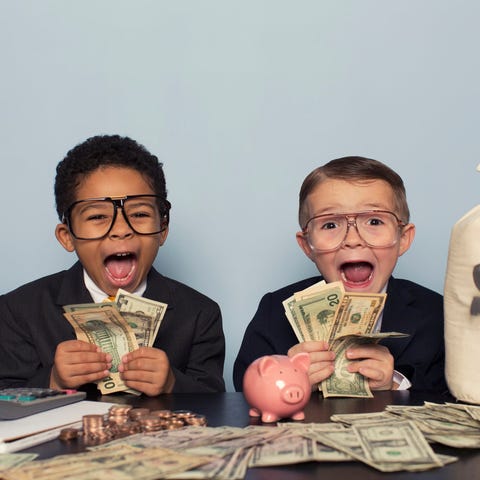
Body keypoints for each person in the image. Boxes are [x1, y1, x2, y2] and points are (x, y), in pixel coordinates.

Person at [0, 135, 225, 395]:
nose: (120, 230)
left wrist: (173, 384)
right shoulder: (17, 312)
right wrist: (53, 381)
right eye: (97, 216)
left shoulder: (200, 314)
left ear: (162, 229)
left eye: (139, 214)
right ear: (67, 236)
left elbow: (216, 405)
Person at [233, 156, 447, 394]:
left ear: (403, 239)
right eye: (330, 225)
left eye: (374, 221)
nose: (353, 240)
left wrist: (396, 384)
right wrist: (285, 378)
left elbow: (455, 396)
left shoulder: (438, 314)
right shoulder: (275, 311)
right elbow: (243, 387)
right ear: (307, 245)